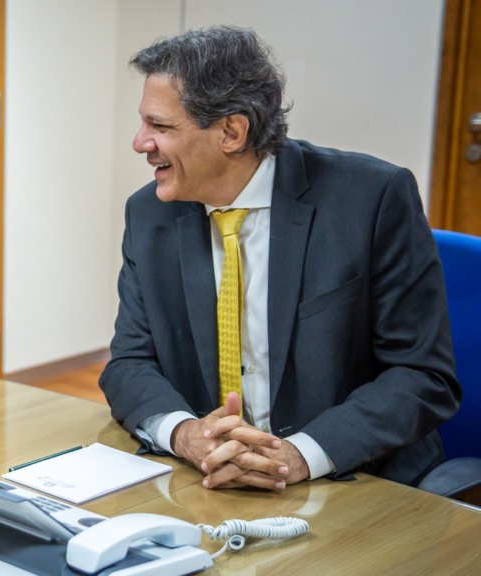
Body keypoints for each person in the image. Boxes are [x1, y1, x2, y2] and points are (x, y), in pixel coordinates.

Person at [99, 26, 460, 491]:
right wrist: (187, 435)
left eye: (161, 127)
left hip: (356, 479)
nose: (139, 142)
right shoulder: (149, 214)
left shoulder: (370, 199)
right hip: (214, 484)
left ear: (231, 131)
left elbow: (422, 375)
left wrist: (299, 455)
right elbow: (129, 362)